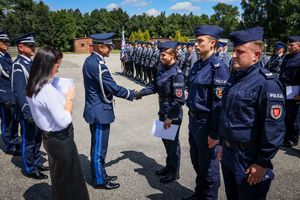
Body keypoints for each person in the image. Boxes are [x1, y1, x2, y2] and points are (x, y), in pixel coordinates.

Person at [219, 27, 285, 200]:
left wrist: (262, 163)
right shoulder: (235, 78)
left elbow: (274, 128)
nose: (233, 55)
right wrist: (221, 143)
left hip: (248, 159)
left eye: (239, 52)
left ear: (256, 55)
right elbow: (226, 114)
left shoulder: (267, 84)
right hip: (228, 152)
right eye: (234, 50)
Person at [26, 47, 90, 200]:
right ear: (47, 65)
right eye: (57, 66)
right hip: (61, 138)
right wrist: (69, 97)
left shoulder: (33, 85)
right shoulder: (46, 90)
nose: (58, 70)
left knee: (59, 177)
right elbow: (64, 120)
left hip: (50, 138)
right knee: (70, 180)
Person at [82, 32, 138, 190]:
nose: (111, 48)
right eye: (109, 46)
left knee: (99, 146)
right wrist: (132, 94)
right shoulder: (98, 64)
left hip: (97, 109)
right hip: (100, 112)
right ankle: (99, 180)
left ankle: (101, 173)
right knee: (99, 148)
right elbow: (112, 87)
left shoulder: (91, 60)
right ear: (101, 47)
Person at [183, 25, 230, 200]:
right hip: (194, 120)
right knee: (197, 160)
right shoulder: (197, 65)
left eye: (200, 41)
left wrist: (214, 133)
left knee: (209, 166)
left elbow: (219, 105)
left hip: (207, 124)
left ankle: (209, 197)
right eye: (196, 41)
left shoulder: (218, 68)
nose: (196, 44)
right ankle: (200, 193)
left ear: (212, 43)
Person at [137, 41, 185, 183]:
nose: (160, 57)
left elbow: (179, 99)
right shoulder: (162, 69)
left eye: (163, 54)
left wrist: (170, 117)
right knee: (165, 140)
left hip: (172, 112)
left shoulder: (177, 74)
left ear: (172, 55)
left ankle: (173, 172)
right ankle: (169, 166)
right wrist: (140, 92)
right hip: (162, 108)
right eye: (160, 54)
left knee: (172, 143)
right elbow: (154, 87)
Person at [11, 32, 48, 179]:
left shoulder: (30, 63)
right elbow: (19, 92)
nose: (34, 48)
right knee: (29, 139)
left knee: (38, 138)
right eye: (30, 45)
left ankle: (37, 161)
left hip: (37, 109)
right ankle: (30, 168)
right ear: (21, 47)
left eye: (33, 45)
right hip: (29, 111)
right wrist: (28, 112)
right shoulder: (18, 65)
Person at [0, 31, 20, 155]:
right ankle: (8, 145)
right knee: (7, 120)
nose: (7, 44)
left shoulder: (6, 56)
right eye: (4, 42)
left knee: (14, 119)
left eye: (8, 42)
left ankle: (15, 139)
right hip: (3, 94)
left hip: (11, 92)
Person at [279, 35, 300, 147]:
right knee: (285, 115)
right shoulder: (287, 57)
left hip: (294, 91)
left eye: (292, 45)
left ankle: (293, 138)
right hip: (284, 89)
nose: (289, 47)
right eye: (289, 45)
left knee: (294, 116)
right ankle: (285, 136)